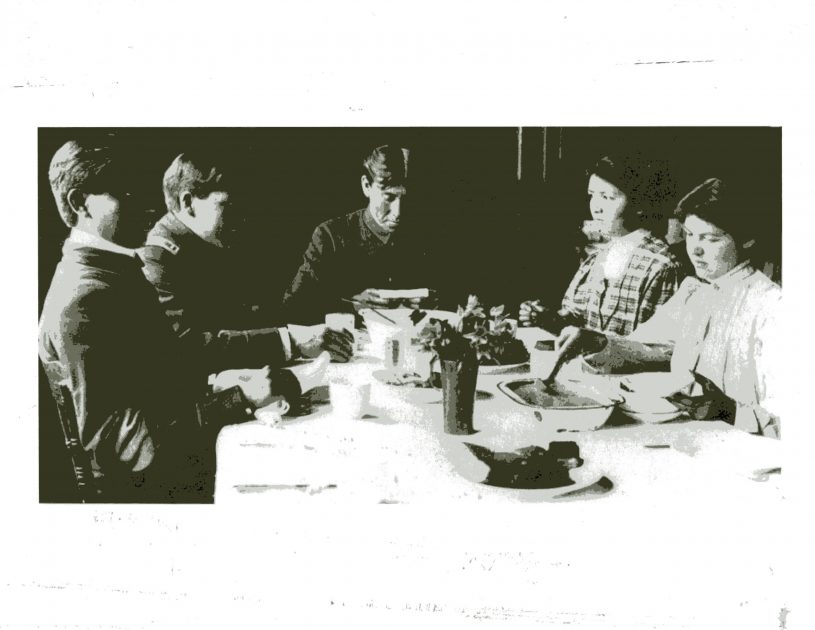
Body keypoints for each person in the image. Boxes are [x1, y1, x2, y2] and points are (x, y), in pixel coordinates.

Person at [39, 139, 299, 502]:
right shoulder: (84, 297)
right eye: (123, 192)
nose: (144, 205)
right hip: (154, 493)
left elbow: (159, 375)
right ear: (80, 202)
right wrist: (237, 399)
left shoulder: (110, 271)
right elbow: (122, 444)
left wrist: (219, 383)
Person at [556, 177, 781, 438]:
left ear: (747, 240)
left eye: (710, 239)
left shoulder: (772, 306)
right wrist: (596, 342)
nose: (695, 250)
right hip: (686, 437)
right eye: (690, 235)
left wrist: (728, 410)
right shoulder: (694, 292)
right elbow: (645, 348)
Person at [140, 149, 353, 381]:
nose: (239, 217)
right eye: (226, 204)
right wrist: (290, 341)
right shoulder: (158, 258)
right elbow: (190, 348)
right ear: (188, 202)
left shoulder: (207, 242)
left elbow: (252, 316)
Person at [519, 154, 684, 337]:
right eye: (592, 195)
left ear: (639, 204)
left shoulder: (661, 266)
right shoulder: (595, 259)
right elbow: (576, 323)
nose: (595, 208)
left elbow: (658, 344)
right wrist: (548, 319)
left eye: (607, 197)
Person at [281, 144, 433, 324]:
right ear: (366, 186)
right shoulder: (330, 236)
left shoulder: (425, 237)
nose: (397, 213)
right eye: (389, 197)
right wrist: (352, 306)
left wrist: (433, 302)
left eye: (405, 199)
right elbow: (294, 306)